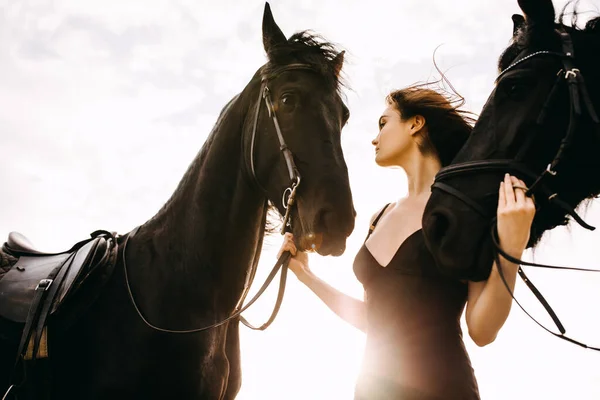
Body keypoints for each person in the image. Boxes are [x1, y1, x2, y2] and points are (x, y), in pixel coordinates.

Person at [278, 84, 536, 399]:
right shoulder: (379, 216)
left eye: (384, 123)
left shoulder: (462, 214)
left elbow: (481, 331)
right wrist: (305, 275)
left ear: (415, 124)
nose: (375, 137)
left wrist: (511, 246)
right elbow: (374, 319)